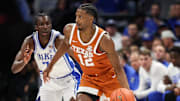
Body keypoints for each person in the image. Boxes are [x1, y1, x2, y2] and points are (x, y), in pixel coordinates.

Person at [43, 3, 130, 101]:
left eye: (80, 17)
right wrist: (50, 66)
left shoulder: (104, 40)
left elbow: (118, 69)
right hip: (89, 78)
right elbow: (64, 46)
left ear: (90, 19)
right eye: (76, 16)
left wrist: (127, 92)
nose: (76, 20)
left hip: (109, 79)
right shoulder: (69, 30)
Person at [11, 13, 81, 101]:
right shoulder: (30, 42)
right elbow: (14, 69)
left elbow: (78, 57)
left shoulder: (58, 40)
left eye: (47, 24)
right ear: (36, 27)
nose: (45, 27)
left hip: (68, 79)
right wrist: (24, 62)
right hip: (49, 83)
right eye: (42, 24)